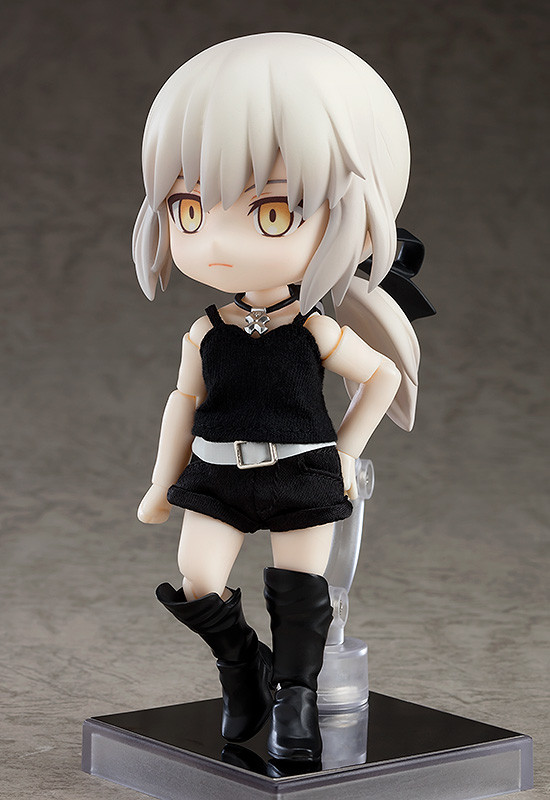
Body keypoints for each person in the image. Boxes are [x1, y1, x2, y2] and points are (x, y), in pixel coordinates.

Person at [133, 32, 419, 762]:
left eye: (270, 213)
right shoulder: (207, 329)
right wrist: (162, 482)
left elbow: (382, 376)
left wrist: (345, 454)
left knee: (300, 588)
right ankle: (242, 669)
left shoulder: (314, 326)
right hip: (216, 471)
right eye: (189, 209)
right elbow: (182, 401)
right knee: (198, 582)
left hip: (301, 471)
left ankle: (296, 702)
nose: (215, 241)